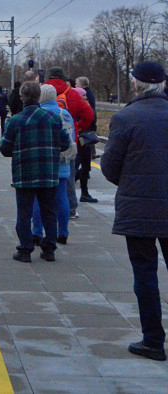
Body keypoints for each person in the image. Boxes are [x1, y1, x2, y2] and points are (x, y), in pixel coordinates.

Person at [100, 61, 168, 362]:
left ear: (135, 85)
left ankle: (153, 341)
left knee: (145, 274)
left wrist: (131, 184)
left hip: (139, 208)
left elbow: (110, 168)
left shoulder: (125, 118)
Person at [0, 81, 71, 263]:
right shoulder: (53, 119)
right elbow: (65, 143)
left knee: (24, 213)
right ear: (39, 96)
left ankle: (25, 250)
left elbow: (5, 148)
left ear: (22, 97)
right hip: (48, 173)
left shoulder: (15, 121)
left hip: (25, 175)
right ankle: (49, 250)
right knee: (49, 212)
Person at [30, 84, 75, 245]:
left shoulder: (39, 114)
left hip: (43, 163)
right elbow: (72, 139)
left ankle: (37, 231)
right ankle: (63, 232)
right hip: (63, 161)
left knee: (38, 199)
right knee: (62, 198)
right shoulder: (65, 114)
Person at [74, 75, 100, 204]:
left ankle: (83, 191)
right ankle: (82, 191)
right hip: (82, 139)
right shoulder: (79, 109)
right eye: (83, 96)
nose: (85, 97)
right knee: (83, 165)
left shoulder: (86, 107)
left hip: (85, 139)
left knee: (85, 166)